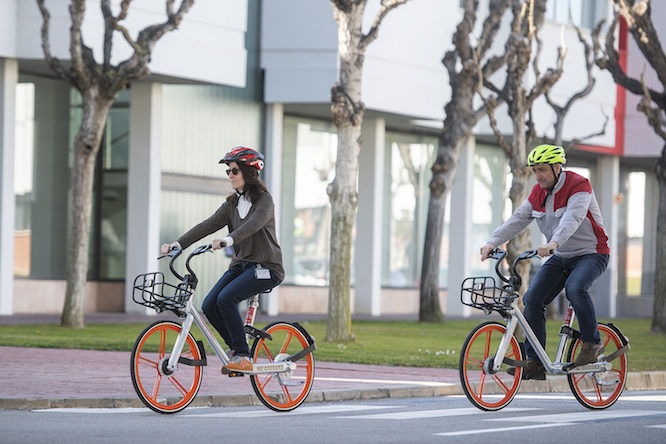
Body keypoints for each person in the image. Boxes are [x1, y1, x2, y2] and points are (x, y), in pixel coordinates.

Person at [479, 144, 610, 380]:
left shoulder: (579, 185)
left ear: (557, 167)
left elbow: (573, 218)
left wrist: (554, 243)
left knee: (575, 288)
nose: (538, 176)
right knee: (531, 299)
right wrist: (492, 242)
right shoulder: (538, 194)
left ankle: (592, 344)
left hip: (591, 253)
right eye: (535, 171)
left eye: (542, 170)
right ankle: (535, 361)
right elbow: (517, 219)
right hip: (560, 256)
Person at [161, 146, 284, 373]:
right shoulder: (231, 204)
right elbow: (207, 225)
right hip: (242, 264)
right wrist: (179, 244)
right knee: (209, 304)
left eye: (234, 170)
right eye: (228, 171)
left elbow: (253, 225)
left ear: (249, 172)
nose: (230, 175)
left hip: (267, 267)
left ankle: (242, 355)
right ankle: (237, 350)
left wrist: (228, 240)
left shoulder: (265, 201)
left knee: (226, 298)